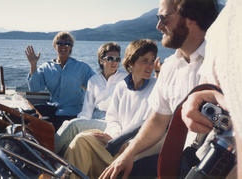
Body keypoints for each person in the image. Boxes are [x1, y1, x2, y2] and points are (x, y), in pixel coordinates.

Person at [99, 0, 218, 178]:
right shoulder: (169, 67)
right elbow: (157, 121)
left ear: (190, 18)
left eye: (163, 18)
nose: (158, 26)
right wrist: (127, 155)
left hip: (217, 163)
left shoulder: (221, 61)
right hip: (182, 159)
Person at [64, 39, 158, 179]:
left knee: (78, 132)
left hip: (137, 149)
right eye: (145, 60)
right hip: (118, 141)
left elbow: (154, 127)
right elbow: (113, 119)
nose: (150, 66)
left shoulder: (157, 87)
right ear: (131, 62)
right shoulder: (122, 87)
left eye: (152, 61)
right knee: (81, 140)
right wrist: (114, 138)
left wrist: (126, 145)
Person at [181, 0, 242, 178]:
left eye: (164, 17)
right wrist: (199, 99)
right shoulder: (219, 27)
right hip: (212, 158)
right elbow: (209, 88)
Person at [54, 42, 127, 155]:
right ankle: (57, 159)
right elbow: (87, 109)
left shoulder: (126, 78)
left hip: (112, 120)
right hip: (94, 117)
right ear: (101, 60)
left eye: (117, 59)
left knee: (72, 126)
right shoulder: (93, 80)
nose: (114, 62)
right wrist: (82, 122)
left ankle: (45, 154)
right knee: (68, 126)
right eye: (110, 58)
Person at [25, 32, 94, 131]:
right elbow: (35, 88)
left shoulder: (81, 67)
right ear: (54, 46)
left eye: (67, 44)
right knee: (24, 116)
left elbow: (96, 85)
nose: (63, 46)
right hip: (52, 109)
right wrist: (33, 65)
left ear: (71, 47)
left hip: (73, 112)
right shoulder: (46, 67)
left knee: (44, 125)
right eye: (60, 43)